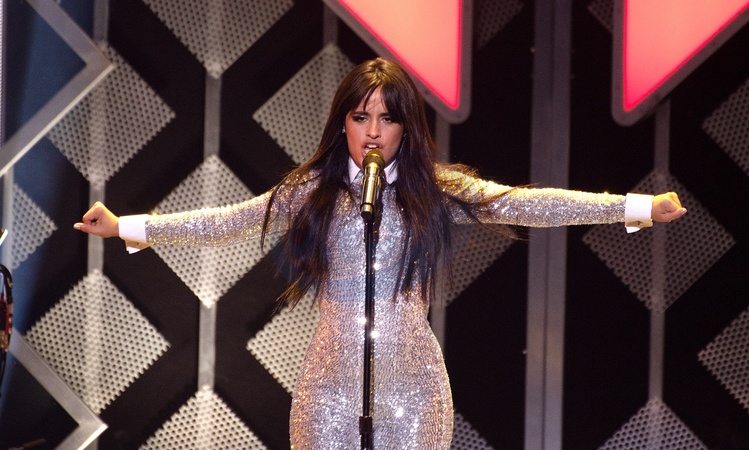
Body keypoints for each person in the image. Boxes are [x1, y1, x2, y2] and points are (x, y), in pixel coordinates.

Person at [74, 57, 686, 449]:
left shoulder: (433, 190)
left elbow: (526, 203)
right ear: (343, 122)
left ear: (405, 128)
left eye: (387, 119)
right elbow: (228, 221)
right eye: (361, 116)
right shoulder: (310, 191)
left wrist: (635, 206)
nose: (372, 131)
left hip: (413, 390)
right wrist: (129, 225)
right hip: (328, 391)